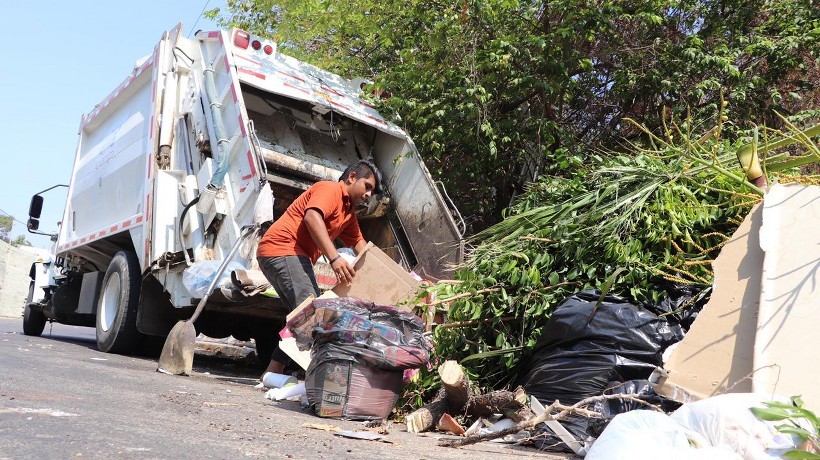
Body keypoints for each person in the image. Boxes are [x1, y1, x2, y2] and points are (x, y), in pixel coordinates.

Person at [256, 159, 382, 376]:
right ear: (352, 177)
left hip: (293, 254)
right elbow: (312, 217)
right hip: (282, 249)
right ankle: (279, 371)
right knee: (311, 311)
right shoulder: (330, 189)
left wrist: (387, 276)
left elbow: (361, 247)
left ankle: (278, 371)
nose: (369, 194)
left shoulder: (348, 213)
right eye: (367, 186)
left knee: (304, 314)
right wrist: (335, 258)